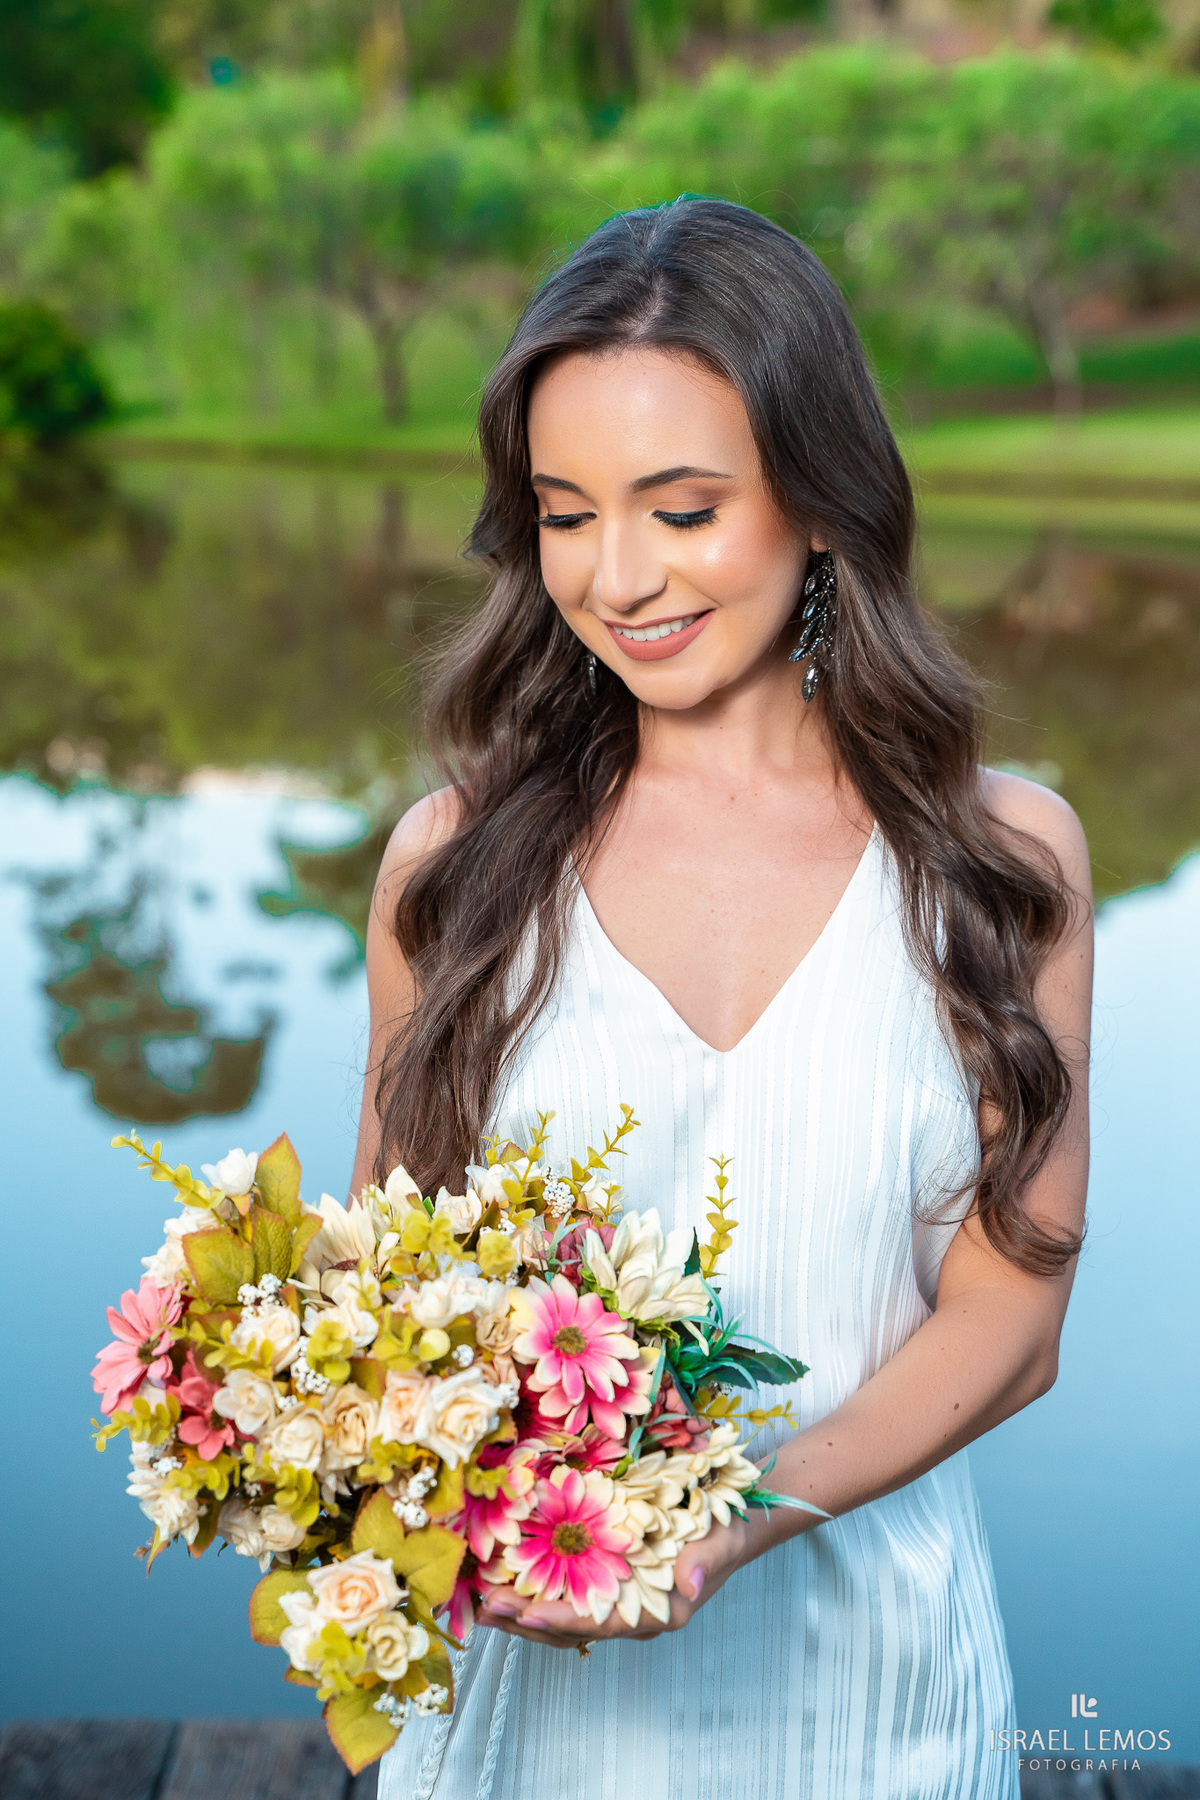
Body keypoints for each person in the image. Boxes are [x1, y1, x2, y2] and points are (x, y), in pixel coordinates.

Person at [352, 197, 1092, 1800]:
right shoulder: (455, 870)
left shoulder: (1000, 859)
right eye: (563, 514)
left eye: (682, 509)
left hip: (882, 1701)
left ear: (822, 500)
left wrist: (733, 1520)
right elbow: (389, 1318)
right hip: (525, 1711)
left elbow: (1014, 1316)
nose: (616, 578)